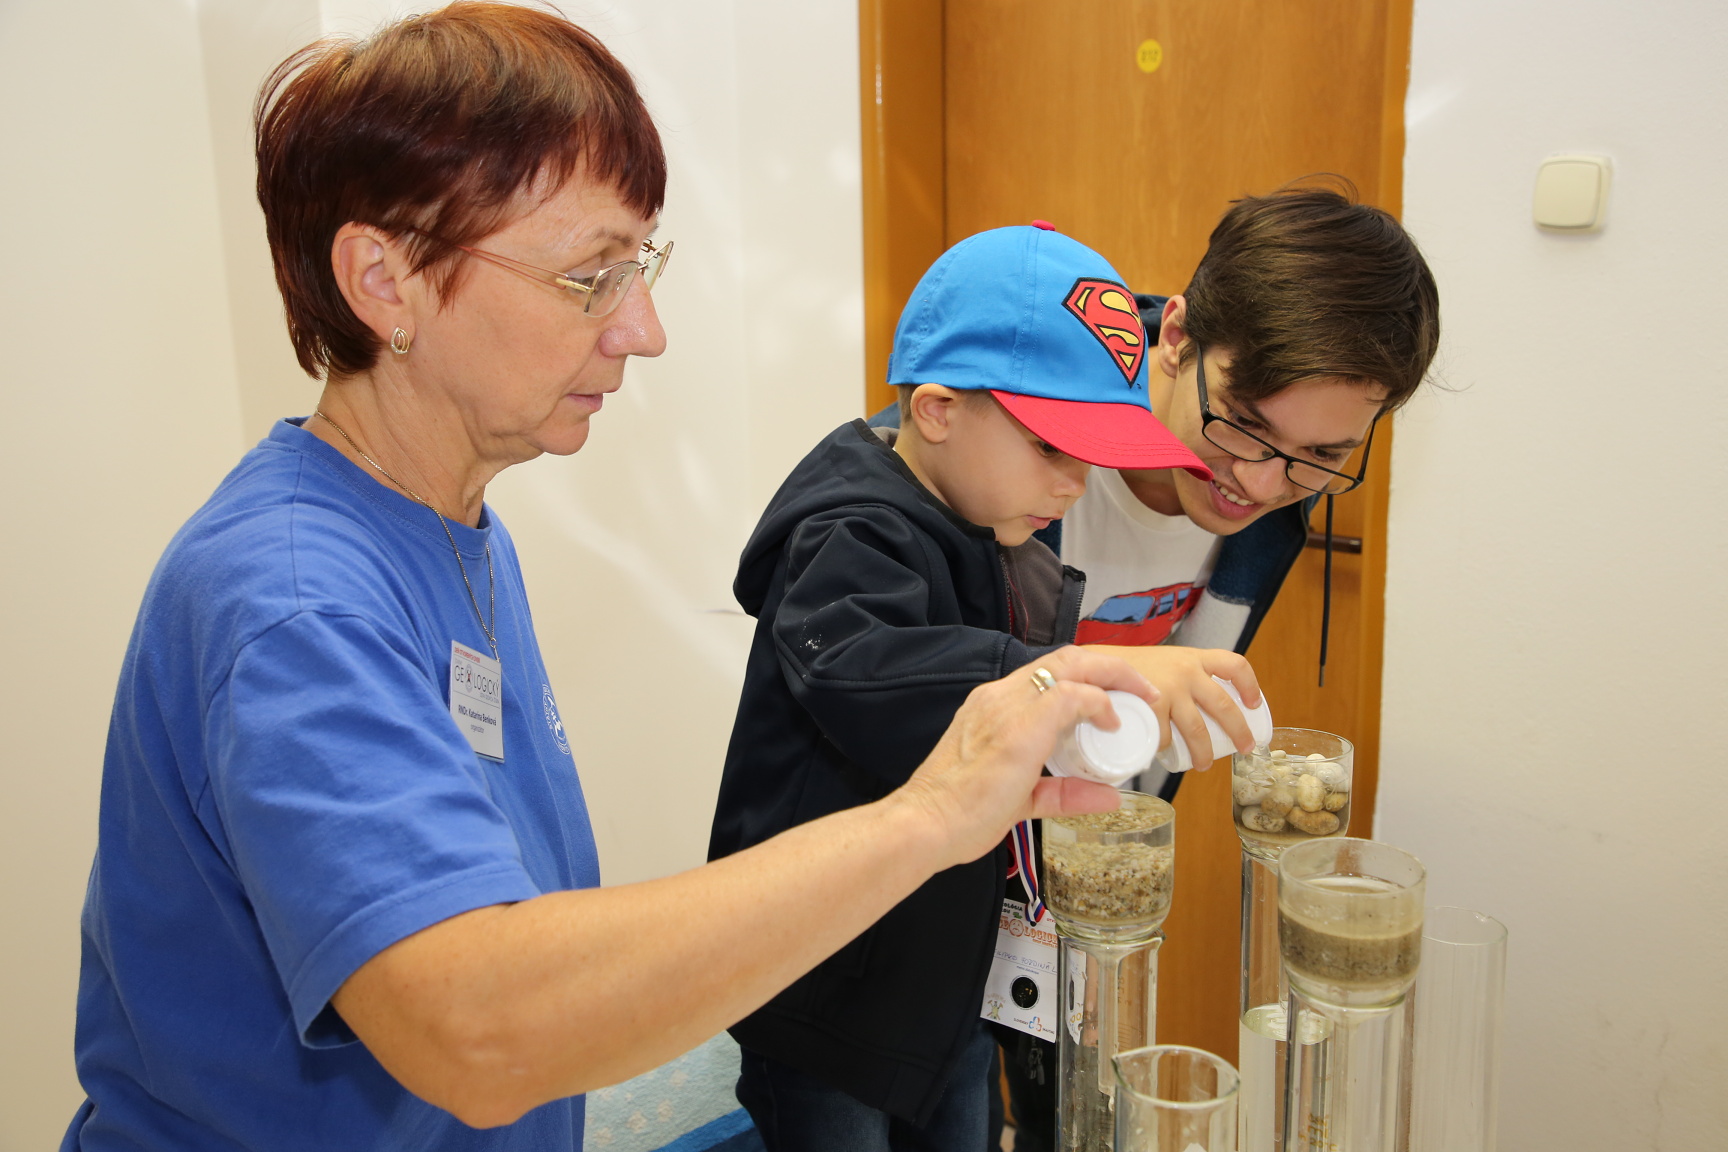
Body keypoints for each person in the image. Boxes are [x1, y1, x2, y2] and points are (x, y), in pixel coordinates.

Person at [59, 7, 1142, 1150]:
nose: (644, 329)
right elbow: (479, 1030)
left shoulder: (455, 530)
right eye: (591, 277)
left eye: (640, 267)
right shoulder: (294, 604)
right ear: (385, 279)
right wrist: (931, 814)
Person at [874, 188, 1441, 1150]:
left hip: (1070, 878)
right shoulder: (984, 448)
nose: (1260, 483)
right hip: (914, 893)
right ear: (1174, 336)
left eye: (1319, 457)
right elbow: (888, 690)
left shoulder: (1273, 505)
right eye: (1243, 427)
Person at [708, 223, 1263, 1152]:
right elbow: (866, 672)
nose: (1078, 483)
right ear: (937, 410)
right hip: (822, 991)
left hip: (943, 982)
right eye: (1052, 448)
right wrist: (1062, 676)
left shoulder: (990, 529)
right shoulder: (849, 533)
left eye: (1092, 454)